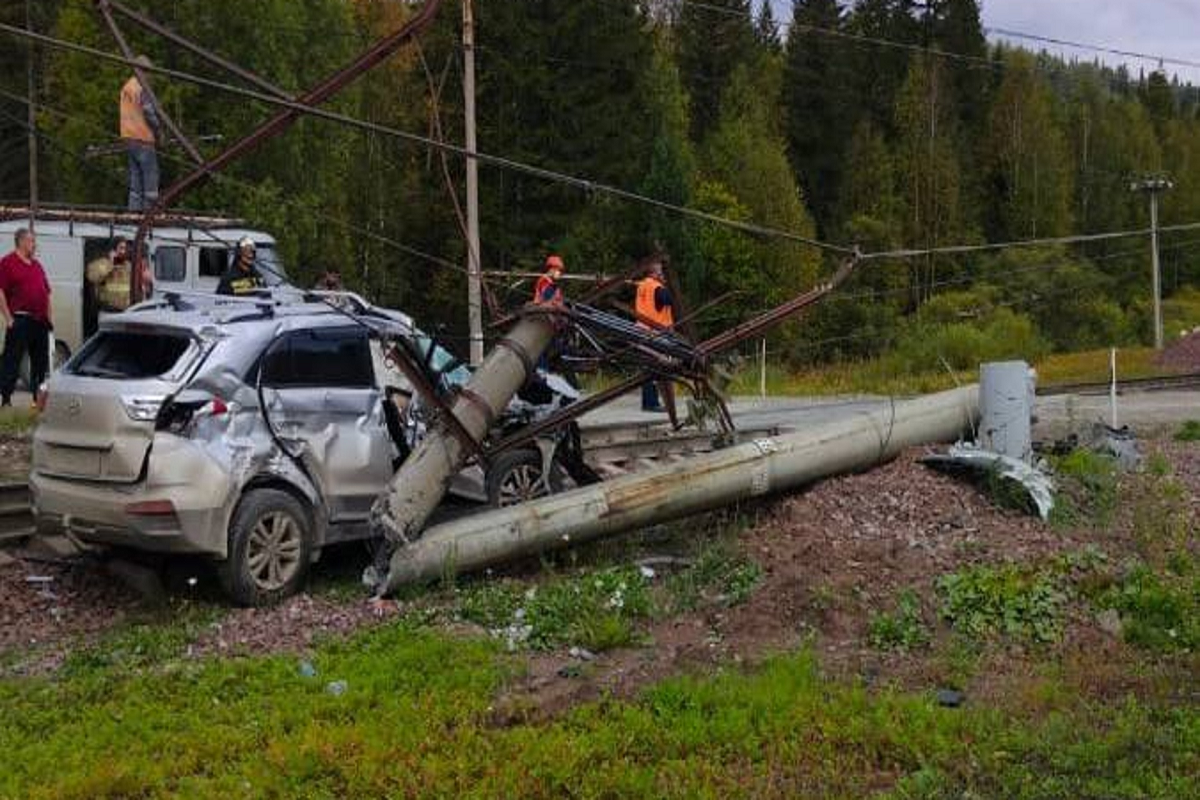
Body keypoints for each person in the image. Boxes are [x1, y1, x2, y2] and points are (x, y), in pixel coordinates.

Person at [0, 229, 52, 408]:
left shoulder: (37, 265)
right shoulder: (8, 263)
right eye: (31, 241)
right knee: (11, 360)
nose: (34, 244)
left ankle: (37, 400)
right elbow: (0, 291)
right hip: (20, 319)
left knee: (40, 362)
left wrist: (49, 320)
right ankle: (6, 399)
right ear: (21, 242)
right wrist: (8, 318)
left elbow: (46, 292)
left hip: (40, 321)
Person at [634, 253, 677, 422]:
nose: (664, 275)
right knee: (659, 368)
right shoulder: (657, 288)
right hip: (656, 332)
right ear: (656, 272)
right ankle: (653, 403)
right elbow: (668, 301)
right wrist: (668, 286)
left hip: (643, 330)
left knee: (648, 368)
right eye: (662, 272)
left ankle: (648, 402)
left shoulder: (643, 285)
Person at [120, 56, 162, 211]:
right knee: (150, 177)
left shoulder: (127, 87)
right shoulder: (141, 88)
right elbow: (148, 111)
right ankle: (149, 214)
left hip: (128, 138)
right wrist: (158, 131)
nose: (150, 75)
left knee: (135, 179)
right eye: (148, 71)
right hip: (143, 137)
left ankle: (134, 213)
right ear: (142, 71)